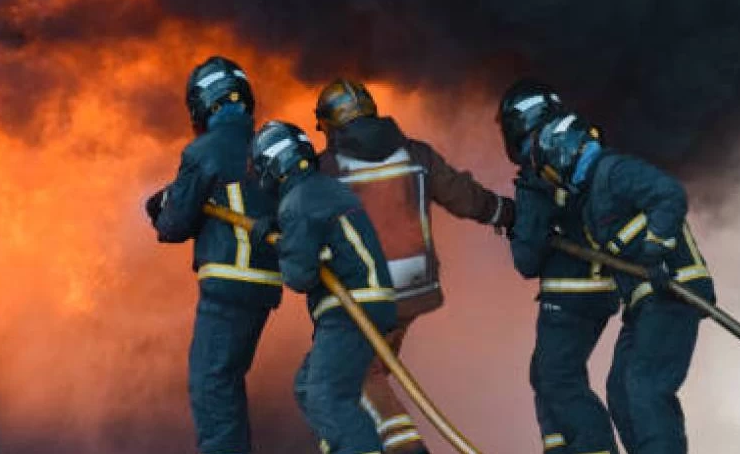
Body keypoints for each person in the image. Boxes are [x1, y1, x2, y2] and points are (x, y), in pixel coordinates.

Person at [314, 78, 515, 454]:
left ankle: (406, 449)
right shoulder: (416, 155)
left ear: (328, 124)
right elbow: (463, 196)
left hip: (365, 297)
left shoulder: (326, 169)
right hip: (413, 291)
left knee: (351, 379)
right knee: (365, 374)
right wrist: (507, 213)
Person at [530, 112, 715, 454]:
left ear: (567, 151)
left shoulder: (614, 171)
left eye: (553, 167)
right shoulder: (591, 199)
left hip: (674, 290)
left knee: (645, 385)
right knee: (620, 390)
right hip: (644, 302)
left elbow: (669, 194)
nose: (556, 177)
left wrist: (656, 248)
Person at [145, 56, 282, 454]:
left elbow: (174, 225)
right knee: (227, 381)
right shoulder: (265, 146)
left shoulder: (204, 150)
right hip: (262, 286)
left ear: (204, 103)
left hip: (228, 284)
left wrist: (160, 209)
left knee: (212, 386)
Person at [249, 120, 397, 454]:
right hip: (362, 304)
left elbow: (299, 275)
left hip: (352, 308)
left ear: (272, 166)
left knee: (326, 396)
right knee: (307, 386)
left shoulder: (298, 202)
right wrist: (281, 231)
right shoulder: (318, 190)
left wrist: (276, 242)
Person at [499, 81, 621, 454]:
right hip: (603, 288)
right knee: (546, 373)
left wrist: (518, 230)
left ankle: (595, 448)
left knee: (558, 379)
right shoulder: (583, 151)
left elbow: (526, 261)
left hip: (569, 293)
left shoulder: (539, 167)